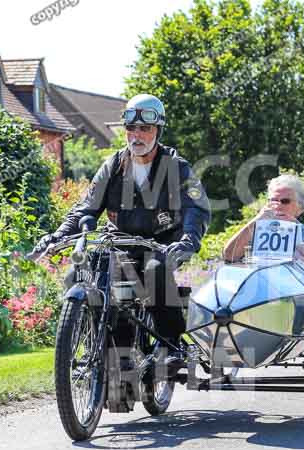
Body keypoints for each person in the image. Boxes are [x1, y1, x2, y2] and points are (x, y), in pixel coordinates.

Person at [29, 94, 211, 362]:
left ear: (158, 130)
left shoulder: (177, 167)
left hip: (161, 243)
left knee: (154, 270)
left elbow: (197, 209)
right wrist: (57, 236)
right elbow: (86, 208)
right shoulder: (113, 165)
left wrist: (187, 241)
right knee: (83, 270)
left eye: (145, 128)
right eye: (131, 128)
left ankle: (171, 345)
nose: (136, 135)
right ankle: (98, 344)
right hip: (118, 241)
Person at [222, 174, 304, 288]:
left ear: (300, 207)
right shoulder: (254, 230)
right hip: (259, 297)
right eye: (273, 201)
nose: (278, 206)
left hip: (299, 300)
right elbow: (228, 256)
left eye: (285, 201)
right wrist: (257, 220)